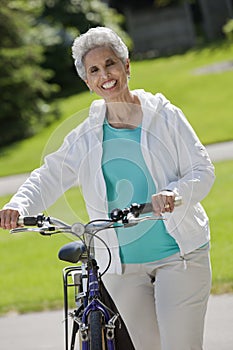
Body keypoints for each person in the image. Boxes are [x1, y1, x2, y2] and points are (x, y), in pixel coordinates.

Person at [0, 27, 215, 350]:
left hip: (180, 257)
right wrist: (19, 204)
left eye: (111, 64)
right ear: (88, 82)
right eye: (95, 71)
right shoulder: (86, 134)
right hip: (121, 269)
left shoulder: (165, 117)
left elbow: (203, 170)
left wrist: (175, 193)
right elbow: (50, 174)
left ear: (127, 65)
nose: (106, 75)